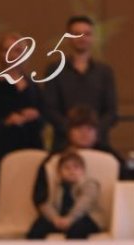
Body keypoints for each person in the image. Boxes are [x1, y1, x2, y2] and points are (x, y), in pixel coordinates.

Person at [0, 31, 44, 225]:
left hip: (31, 148)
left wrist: (36, 115)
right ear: (0, 53)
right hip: (1, 153)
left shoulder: (33, 86)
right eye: (8, 50)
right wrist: (7, 121)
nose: (13, 54)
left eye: (18, 50)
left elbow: (45, 117)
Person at [42, 16, 117, 150]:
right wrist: (73, 132)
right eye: (76, 34)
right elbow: (49, 109)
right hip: (63, 146)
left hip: (99, 145)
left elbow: (111, 111)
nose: (82, 38)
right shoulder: (54, 70)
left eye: (87, 34)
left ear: (92, 38)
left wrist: (92, 133)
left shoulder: (105, 72)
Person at [27, 148, 103, 239]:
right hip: (60, 218)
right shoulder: (56, 185)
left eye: (76, 167)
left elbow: (83, 204)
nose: (72, 171)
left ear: (83, 171)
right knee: (39, 225)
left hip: (84, 217)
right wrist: (55, 218)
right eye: (67, 168)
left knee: (77, 230)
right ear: (59, 172)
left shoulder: (89, 184)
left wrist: (70, 219)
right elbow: (45, 203)